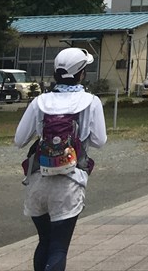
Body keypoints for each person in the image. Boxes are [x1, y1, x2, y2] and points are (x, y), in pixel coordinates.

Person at [13, 48, 106, 271]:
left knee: (44, 241)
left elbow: (19, 140)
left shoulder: (40, 101)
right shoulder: (91, 102)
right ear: (81, 74)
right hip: (69, 182)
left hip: (38, 180)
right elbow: (99, 141)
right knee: (58, 247)